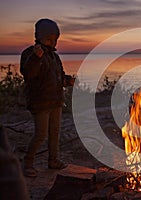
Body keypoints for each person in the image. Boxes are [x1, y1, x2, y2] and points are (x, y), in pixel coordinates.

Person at [20, 18, 74, 177]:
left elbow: (59, 77)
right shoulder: (30, 54)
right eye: (49, 39)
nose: (53, 42)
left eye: (55, 39)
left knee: (54, 132)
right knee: (41, 134)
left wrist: (68, 81)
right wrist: (36, 57)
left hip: (56, 101)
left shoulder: (54, 57)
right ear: (38, 36)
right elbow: (29, 74)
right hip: (40, 102)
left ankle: (53, 160)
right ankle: (28, 162)